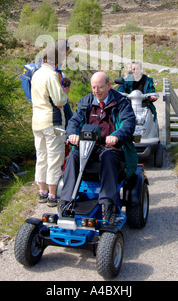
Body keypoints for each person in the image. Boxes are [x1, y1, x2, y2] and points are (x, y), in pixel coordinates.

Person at [59, 71, 137, 224]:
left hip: (112, 149)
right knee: (72, 157)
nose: (96, 91)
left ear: (109, 85)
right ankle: (65, 202)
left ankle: (108, 205)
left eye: (99, 87)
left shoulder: (121, 102)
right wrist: (72, 134)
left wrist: (117, 136)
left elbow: (129, 123)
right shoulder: (86, 101)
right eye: (93, 87)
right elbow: (74, 121)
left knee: (107, 157)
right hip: (88, 147)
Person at [31, 39, 70, 207]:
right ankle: (53, 195)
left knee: (41, 157)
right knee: (55, 157)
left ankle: (42, 192)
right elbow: (59, 100)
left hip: (37, 121)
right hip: (51, 121)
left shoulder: (36, 74)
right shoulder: (51, 75)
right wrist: (65, 92)